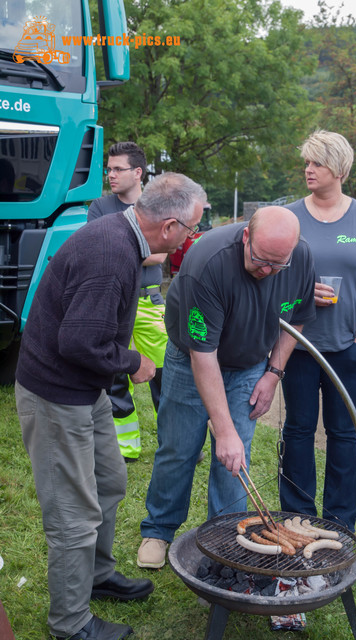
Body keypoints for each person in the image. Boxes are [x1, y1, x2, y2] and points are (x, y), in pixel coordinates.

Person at [15, 172, 206, 640]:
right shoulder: (110, 254)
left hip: (87, 391)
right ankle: (70, 623)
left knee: (108, 482)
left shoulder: (123, 238)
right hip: (57, 395)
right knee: (73, 515)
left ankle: (96, 578)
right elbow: (78, 341)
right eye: (191, 229)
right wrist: (134, 362)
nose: (191, 238)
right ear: (169, 227)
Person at [136, 206, 316, 569]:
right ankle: (158, 530)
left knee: (235, 458)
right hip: (191, 360)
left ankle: (224, 538)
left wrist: (272, 373)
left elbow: (295, 321)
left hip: (250, 363)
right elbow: (204, 356)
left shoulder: (299, 259)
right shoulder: (208, 262)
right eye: (261, 260)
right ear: (246, 237)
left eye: (278, 264)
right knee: (179, 448)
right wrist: (223, 429)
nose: (268, 271)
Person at [279, 130, 356, 533]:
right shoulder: (290, 217)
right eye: (307, 162)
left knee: (343, 434)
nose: (308, 169)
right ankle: (297, 515)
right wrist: (299, 289)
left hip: (347, 347)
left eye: (317, 163)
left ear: (340, 169)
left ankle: (340, 522)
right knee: (297, 430)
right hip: (297, 345)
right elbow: (266, 276)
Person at [88, 141, 168, 462]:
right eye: (108, 169)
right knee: (118, 376)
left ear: (138, 172)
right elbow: (99, 251)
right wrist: (141, 249)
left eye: (118, 169)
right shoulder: (99, 207)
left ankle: (173, 444)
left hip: (150, 305)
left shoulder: (157, 205)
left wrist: (122, 249)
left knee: (166, 375)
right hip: (114, 306)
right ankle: (126, 448)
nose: (111, 175)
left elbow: (162, 253)